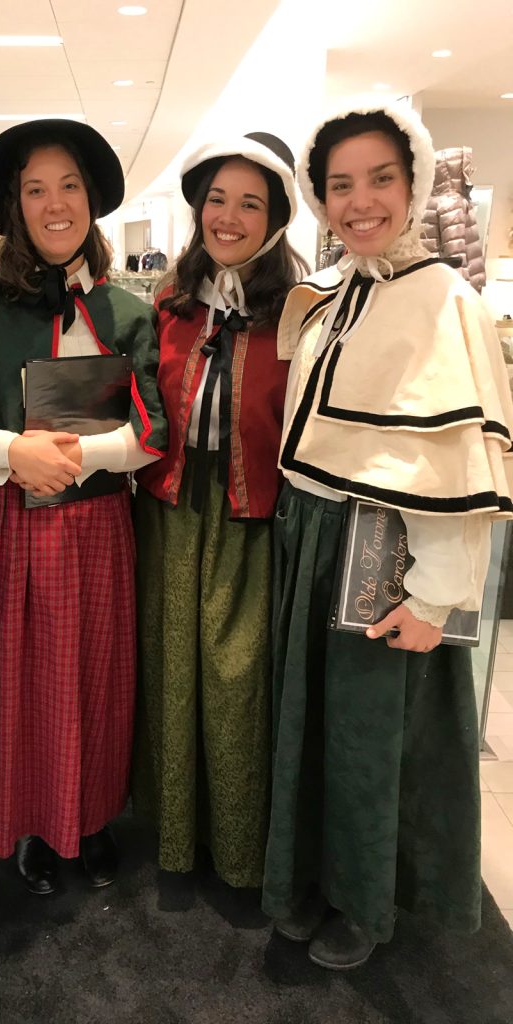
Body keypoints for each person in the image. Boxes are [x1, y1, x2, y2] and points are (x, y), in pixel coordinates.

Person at [262, 102, 513, 970]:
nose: (359, 201)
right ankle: (310, 874)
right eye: (339, 185)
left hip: (385, 553)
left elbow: (460, 466)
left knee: (371, 738)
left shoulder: (446, 299)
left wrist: (438, 595)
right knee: (314, 725)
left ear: (414, 183)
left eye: (380, 179)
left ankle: (365, 905)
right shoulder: (331, 293)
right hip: (313, 537)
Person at [0, 119, 166, 895]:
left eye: (69, 185)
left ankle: (92, 815)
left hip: (96, 524)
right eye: (36, 188)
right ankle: (34, 820)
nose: (55, 203)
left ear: (92, 200)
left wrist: (73, 460)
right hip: (5, 520)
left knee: (95, 677)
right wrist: (13, 451)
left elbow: (151, 432)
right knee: (20, 678)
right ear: (16, 205)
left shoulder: (126, 311)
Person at [131, 133, 307, 887]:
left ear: (275, 219)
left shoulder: (303, 314)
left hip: (252, 526)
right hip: (170, 518)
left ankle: (238, 853)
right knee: (171, 679)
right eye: (217, 200)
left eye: (249, 203)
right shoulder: (168, 305)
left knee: (236, 686)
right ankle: (175, 839)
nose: (228, 217)